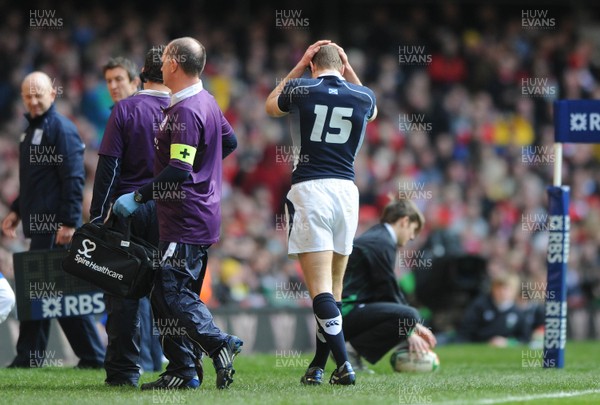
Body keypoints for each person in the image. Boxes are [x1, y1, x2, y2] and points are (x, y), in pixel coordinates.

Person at [113, 37, 241, 390]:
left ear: (173, 64)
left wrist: (137, 197)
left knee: (170, 292)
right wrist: (206, 174)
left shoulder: (186, 111)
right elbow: (228, 142)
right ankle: (183, 371)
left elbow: (179, 169)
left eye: (165, 56)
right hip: (197, 214)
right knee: (167, 292)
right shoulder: (206, 101)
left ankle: (219, 344)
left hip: (184, 218)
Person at [265, 40, 377, 385]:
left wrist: (299, 65)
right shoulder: (363, 96)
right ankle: (317, 365)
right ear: (343, 65)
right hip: (346, 192)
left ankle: (344, 366)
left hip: (311, 189)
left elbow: (271, 106)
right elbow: (372, 108)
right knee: (335, 288)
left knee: (319, 291)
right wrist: (349, 69)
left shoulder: (301, 87)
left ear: (313, 64)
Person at [1, 72, 105, 368]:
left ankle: (81, 356)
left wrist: (70, 222)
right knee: (49, 291)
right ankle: (45, 356)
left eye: (39, 94)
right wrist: (17, 210)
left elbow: (74, 177)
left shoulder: (61, 129)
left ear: (52, 95)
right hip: (41, 226)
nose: (33, 100)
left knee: (50, 291)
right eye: (28, 95)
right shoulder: (30, 131)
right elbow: (34, 182)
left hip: (57, 227)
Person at [90, 47, 172, 386]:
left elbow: (108, 167)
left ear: (140, 74)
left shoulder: (125, 109)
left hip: (130, 208)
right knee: (170, 291)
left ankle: (124, 373)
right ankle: (184, 366)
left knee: (123, 292)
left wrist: (97, 217)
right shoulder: (188, 108)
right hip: (173, 210)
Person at [341, 198, 437, 372]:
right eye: (413, 230)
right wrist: (411, 326)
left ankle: (352, 352)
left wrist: (408, 328)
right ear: (405, 221)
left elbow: (383, 291)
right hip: (344, 313)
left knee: (407, 316)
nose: (412, 237)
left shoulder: (378, 237)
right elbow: (388, 289)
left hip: (346, 312)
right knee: (410, 314)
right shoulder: (381, 242)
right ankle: (351, 351)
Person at [457, 273, 542, 347]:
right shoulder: (480, 306)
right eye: (499, 288)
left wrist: (508, 343)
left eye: (507, 289)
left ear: (514, 291)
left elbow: (525, 338)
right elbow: (466, 331)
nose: (502, 292)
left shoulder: (518, 313)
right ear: (493, 289)